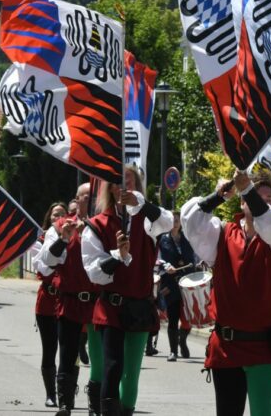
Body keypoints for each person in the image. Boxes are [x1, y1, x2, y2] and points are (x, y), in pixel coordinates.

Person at [181, 169, 271, 416]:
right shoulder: (222, 233)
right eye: (256, 197)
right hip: (227, 347)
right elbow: (191, 223)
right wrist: (217, 196)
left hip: (265, 347)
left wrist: (248, 189)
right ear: (242, 203)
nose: (264, 203)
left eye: (269, 200)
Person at [82, 166, 172, 416]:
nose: (124, 186)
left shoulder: (148, 219)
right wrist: (118, 256)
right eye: (119, 182)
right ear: (110, 188)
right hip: (111, 308)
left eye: (130, 181)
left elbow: (168, 222)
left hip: (140, 307)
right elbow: (94, 272)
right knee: (112, 368)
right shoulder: (97, 225)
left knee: (131, 376)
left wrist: (141, 204)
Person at [38, 183, 103, 416]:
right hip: (71, 300)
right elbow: (46, 261)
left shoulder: (104, 225)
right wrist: (63, 239)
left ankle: (95, 404)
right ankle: (65, 404)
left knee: (99, 357)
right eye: (85, 196)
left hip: (97, 302)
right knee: (67, 353)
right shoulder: (60, 227)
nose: (91, 200)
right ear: (76, 199)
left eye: (93, 196)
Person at [31, 202, 67, 407]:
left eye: (62, 214)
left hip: (67, 300)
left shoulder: (74, 239)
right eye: (55, 215)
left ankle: (66, 392)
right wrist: (58, 248)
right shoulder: (40, 241)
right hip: (47, 301)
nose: (58, 218)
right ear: (49, 218)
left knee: (69, 349)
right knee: (50, 348)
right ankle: (50, 394)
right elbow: (44, 268)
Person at [156, 210, 196, 361]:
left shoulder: (188, 238)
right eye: (172, 220)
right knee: (173, 317)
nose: (174, 222)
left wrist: (201, 262)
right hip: (170, 283)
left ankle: (182, 340)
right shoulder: (162, 239)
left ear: (181, 223)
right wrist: (166, 266)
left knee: (188, 317)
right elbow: (158, 259)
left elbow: (196, 255)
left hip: (187, 282)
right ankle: (173, 351)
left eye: (177, 220)